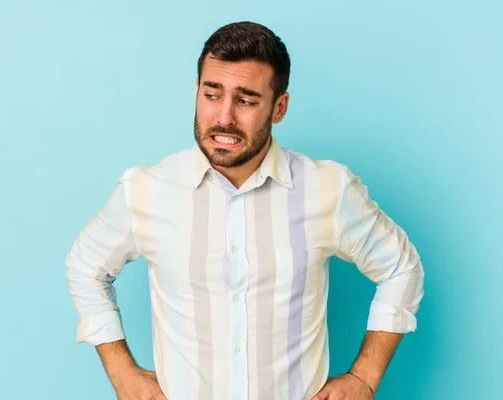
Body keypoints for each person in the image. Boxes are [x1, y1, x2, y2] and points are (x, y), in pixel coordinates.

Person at [66, 21, 425, 400]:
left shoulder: (328, 190)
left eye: (246, 100)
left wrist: (364, 377)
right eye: (211, 94)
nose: (223, 117)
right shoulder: (146, 190)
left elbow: (402, 268)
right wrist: (122, 372)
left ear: (279, 107)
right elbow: (84, 266)